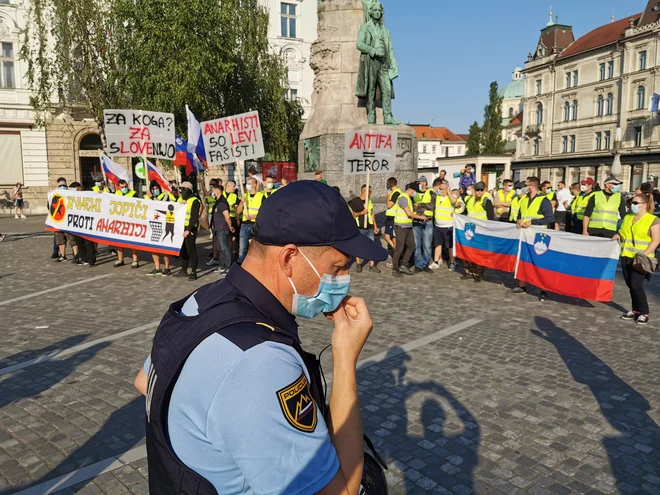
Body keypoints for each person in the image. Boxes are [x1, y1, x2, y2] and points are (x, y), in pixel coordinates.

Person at [134, 180, 387, 495]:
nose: (343, 283)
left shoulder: (202, 299)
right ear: (289, 258)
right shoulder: (261, 362)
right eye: (336, 269)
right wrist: (346, 359)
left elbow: (145, 381)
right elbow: (341, 492)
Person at [613, 193, 660, 325]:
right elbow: (623, 233)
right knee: (630, 285)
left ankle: (644, 312)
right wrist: (618, 236)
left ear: (644, 204)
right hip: (626, 256)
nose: (632, 205)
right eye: (631, 203)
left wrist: (644, 254)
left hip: (641, 259)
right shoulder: (628, 217)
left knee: (636, 285)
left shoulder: (653, 219)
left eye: (635, 203)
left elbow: (656, 240)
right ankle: (635, 310)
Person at [510, 177, 554, 301]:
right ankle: (521, 285)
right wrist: (519, 220)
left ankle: (543, 288)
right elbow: (520, 215)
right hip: (524, 234)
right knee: (523, 259)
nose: (524, 187)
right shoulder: (523, 200)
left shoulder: (543, 200)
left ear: (532, 186)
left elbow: (549, 218)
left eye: (526, 184)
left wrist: (532, 222)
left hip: (539, 236)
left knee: (540, 262)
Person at [392, 183, 427, 277]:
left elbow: (410, 212)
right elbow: (409, 213)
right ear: (412, 190)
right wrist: (421, 217)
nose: (415, 194)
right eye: (415, 192)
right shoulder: (403, 198)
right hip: (401, 226)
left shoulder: (408, 198)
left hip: (408, 226)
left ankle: (403, 265)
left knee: (412, 245)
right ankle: (395, 269)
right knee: (399, 248)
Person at [462, 181, 494, 283]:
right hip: (470, 230)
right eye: (477, 190)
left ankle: (478, 273)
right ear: (474, 190)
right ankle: (469, 271)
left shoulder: (486, 201)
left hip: (481, 231)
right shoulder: (469, 200)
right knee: (468, 251)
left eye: (481, 190)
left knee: (479, 253)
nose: (479, 192)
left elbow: (491, 218)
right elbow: (465, 213)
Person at [145, 180, 177, 276]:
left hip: (164, 223)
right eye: (153, 189)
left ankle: (167, 267)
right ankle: (157, 267)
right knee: (153, 247)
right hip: (152, 223)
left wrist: (153, 198)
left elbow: (169, 203)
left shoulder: (166, 196)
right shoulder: (147, 197)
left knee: (164, 247)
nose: (155, 190)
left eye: (156, 188)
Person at [348, 184, 381, 273]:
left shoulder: (369, 201)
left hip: (369, 228)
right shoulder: (355, 202)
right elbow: (353, 214)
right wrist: (362, 212)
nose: (371, 193)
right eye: (370, 191)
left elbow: (372, 214)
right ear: (365, 191)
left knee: (371, 246)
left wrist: (375, 226)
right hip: (359, 227)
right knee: (358, 246)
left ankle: (372, 265)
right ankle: (359, 264)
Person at [175, 181, 201, 281]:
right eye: (181, 189)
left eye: (184, 189)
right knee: (183, 250)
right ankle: (183, 270)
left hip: (190, 229)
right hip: (180, 228)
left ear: (189, 190)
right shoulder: (180, 199)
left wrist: (188, 229)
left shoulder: (195, 201)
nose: (182, 191)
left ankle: (194, 272)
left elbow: (194, 217)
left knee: (191, 250)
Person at [236, 177, 265, 264]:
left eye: (249, 184)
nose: (248, 186)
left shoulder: (261, 196)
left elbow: (263, 212)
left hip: (255, 224)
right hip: (245, 225)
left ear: (255, 184)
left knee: (255, 247)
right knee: (242, 248)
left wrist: (252, 217)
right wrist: (242, 202)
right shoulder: (244, 196)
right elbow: (238, 211)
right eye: (247, 184)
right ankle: (241, 265)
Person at [430, 179, 457, 271]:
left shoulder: (451, 197)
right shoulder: (437, 197)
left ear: (447, 189)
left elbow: (454, 202)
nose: (440, 191)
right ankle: (436, 262)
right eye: (440, 189)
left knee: (449, 246)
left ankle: (452, 262)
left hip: (448, 226)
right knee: (437, 244)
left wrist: (449, 193)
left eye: (442, 189)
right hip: (438, 225)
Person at [113, 180, 140, 268]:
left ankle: (135, 260)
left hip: (130, 220)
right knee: (119, 242)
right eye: (122, 187)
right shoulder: (116, 193)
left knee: (132, 241)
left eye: (125, 187)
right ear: (119, 187)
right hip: (119, 220)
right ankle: (120, 259)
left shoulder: (133, 193)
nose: (124, 188)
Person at [412, 177, 434, 273]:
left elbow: (432, 206)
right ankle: (418, 265)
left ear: (425, 183)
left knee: (427, 246)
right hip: (416, 222)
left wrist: (420, 205)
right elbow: (412, 207)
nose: (419, 185)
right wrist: (424, 207)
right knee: (416, 246)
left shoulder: (431, 193)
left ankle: (425, 264)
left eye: (420, 183)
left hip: (427, 222)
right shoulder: (414, 194)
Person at [211, 185, 234, 276]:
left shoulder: (222, 203)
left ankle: (228, 266)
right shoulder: (218, 202)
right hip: (217, 228)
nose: (212, 193)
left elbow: (227, 216)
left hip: (222, 228)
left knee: (225, 248)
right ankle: (222, 265)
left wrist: (230, 226)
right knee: (220, 248)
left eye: (213, 191)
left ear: (217, 192)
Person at [383, 177, 401, 263]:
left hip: (393, 218)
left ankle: (398, 255)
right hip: (391, 218)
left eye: (387, 183)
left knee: (390, 237)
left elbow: (389, 205)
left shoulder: (396, 193)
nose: (386, 185)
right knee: (391, 238)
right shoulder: (396, 192)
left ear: (390, 184)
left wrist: (388, 195)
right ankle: (396, 257)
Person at [223, 180, 240, 261]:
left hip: (232, 219)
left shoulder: (234, 196)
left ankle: (233, 254)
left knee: (234, 238)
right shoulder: (220, 194)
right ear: (228, 186)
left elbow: (237, 208)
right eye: (233, 186)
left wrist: (237, 219)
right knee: (225, 238)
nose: (235, 188)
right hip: (222, 220)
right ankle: (226, 255)